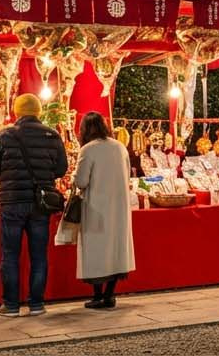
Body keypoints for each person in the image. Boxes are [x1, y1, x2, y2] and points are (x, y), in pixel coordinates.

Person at [0, 93, 68, 317]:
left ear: (16, 111)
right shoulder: (52, 135)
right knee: (39, 255)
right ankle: (36, 304)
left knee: (10, 254)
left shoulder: (4, 135)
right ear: (38, 111)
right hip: (40, 203)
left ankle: (11, 305)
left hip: (12, 201)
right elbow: (61, 169)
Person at [73, 111, 135, 309]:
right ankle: (109, 294)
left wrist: (74, 178)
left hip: (96, 206)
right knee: (116, 249)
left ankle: (98, 295)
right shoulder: (120, 147)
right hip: (119, 206)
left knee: (96, 250)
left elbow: (81, 181)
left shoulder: (88, 150)